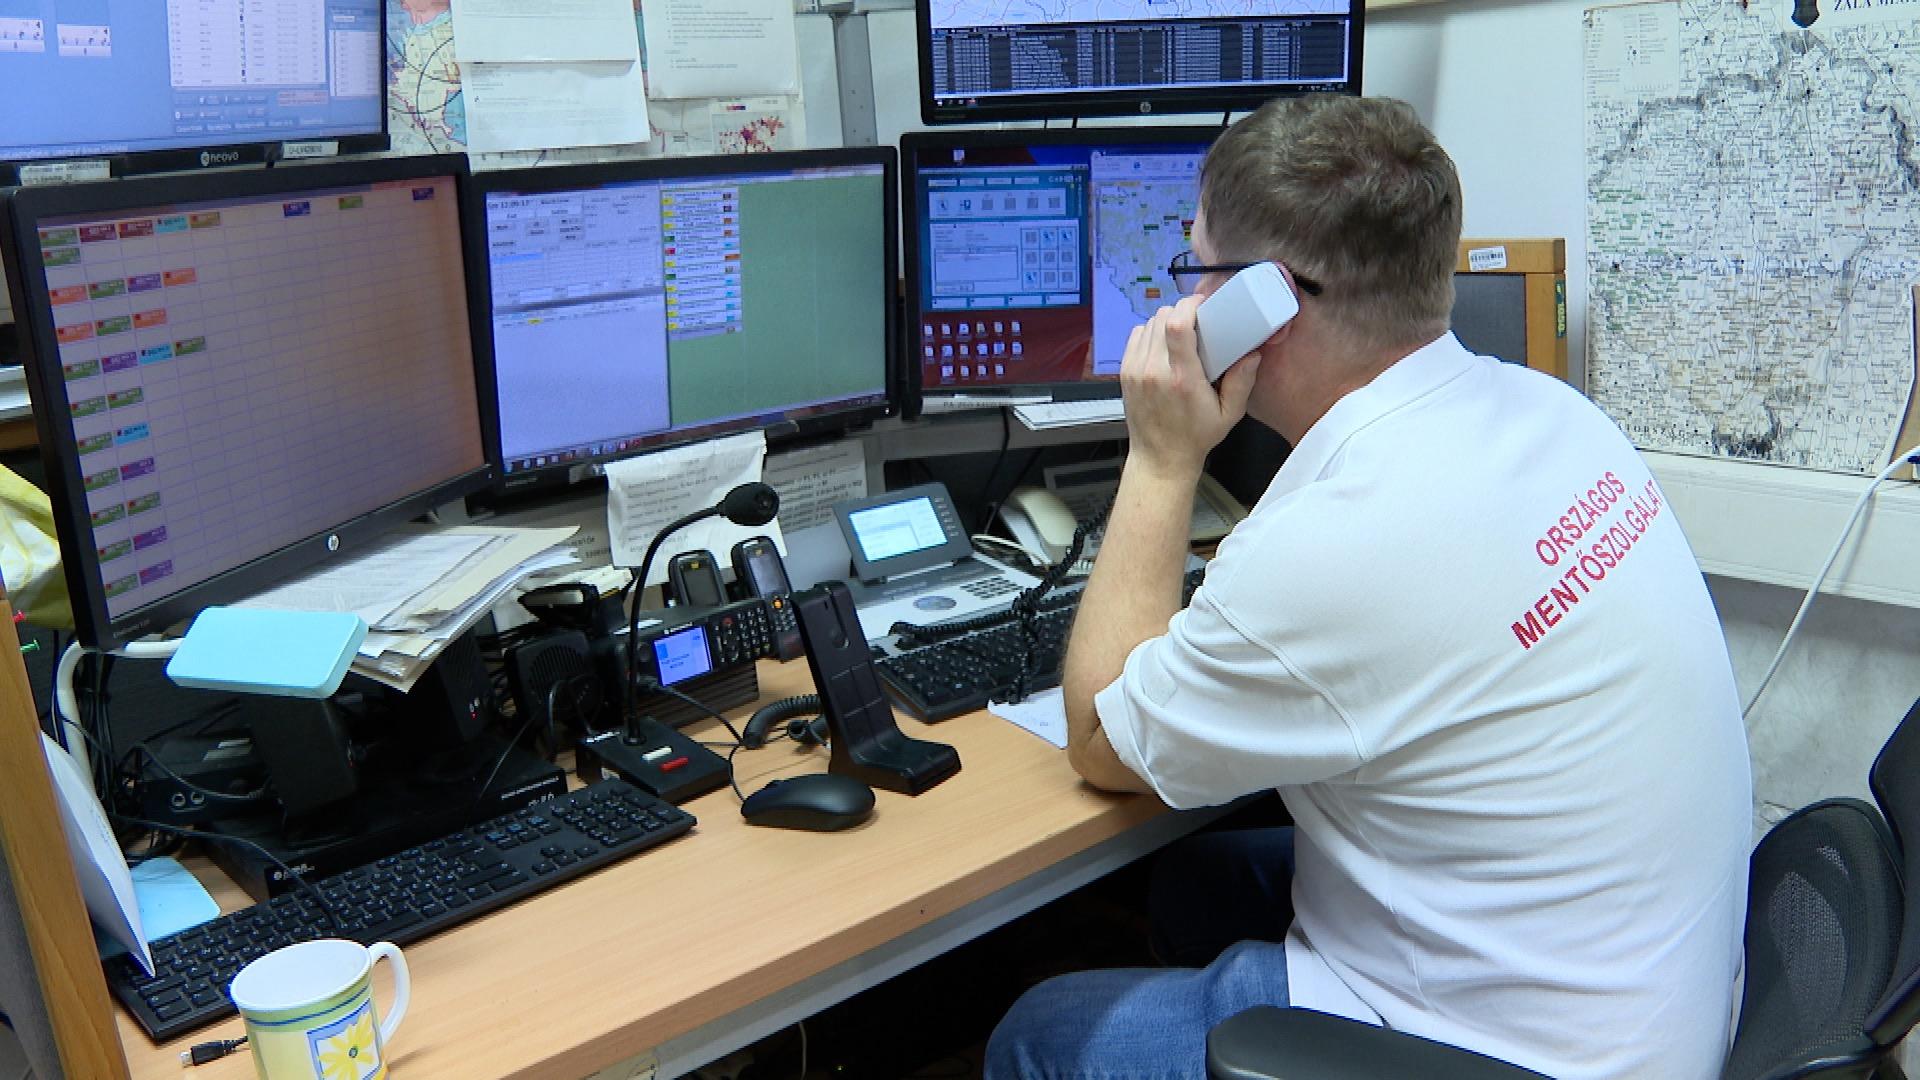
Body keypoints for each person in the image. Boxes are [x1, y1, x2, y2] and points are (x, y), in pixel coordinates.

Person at [983, 95, 1752, 1080]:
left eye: (1198, 272)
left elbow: (1100, 739)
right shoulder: (1558, 414)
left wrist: (1163, 458)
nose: (1185, 308)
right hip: (1649, 999)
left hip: (1519, 1058)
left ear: (1260, 304)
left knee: (1041, 1034)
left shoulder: (1329, 546)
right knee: (1190, 885)